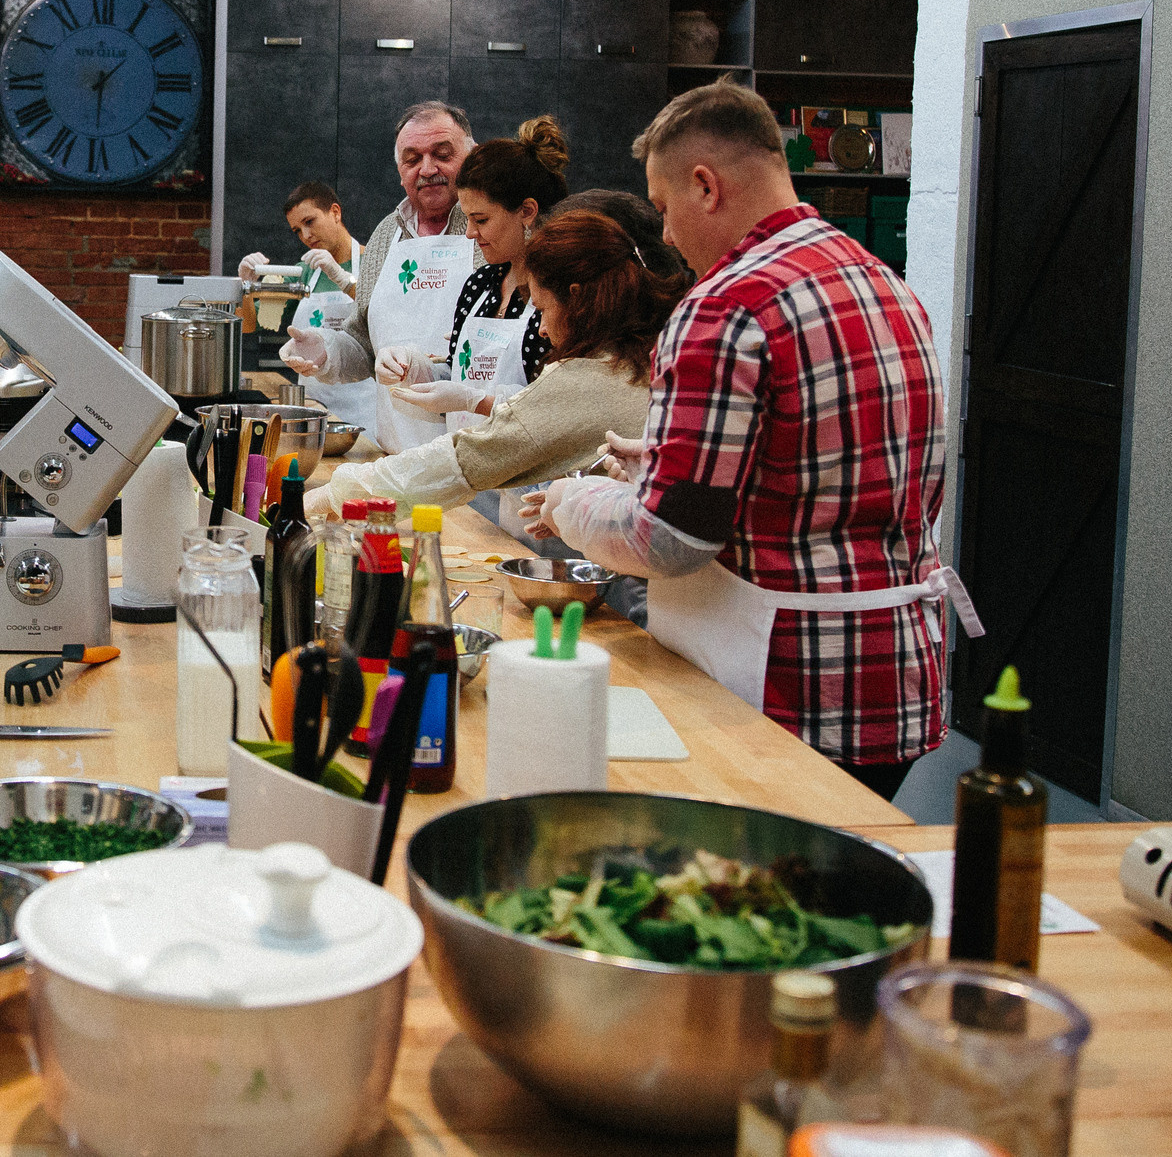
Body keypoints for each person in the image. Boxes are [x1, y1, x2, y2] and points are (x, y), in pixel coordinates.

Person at [525, 81, 963, 800]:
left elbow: (666, 539)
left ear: (705, 185)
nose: (662, 236)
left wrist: (577, 499)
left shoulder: (725, 305)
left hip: (788, 686)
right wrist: (662, 461)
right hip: (900, 682)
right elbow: (820, 467)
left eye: (664, 209)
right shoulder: (885, 281)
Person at [306, 197, 687, 557]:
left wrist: (325, 499)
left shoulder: (591, 374)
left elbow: (464, 458)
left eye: (542, 308)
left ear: (575, 298)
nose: (540, 330)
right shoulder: (645, 352)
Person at [279, 101, 482, 452]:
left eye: (442, 154)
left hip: (479, 458)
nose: (427, 168)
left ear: (472, 155)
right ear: (400, 170)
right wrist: (325, 352)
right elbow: (364, 344)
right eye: (412, 158)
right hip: (399, 451)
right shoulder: (386, 235)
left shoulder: (494, 231)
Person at [375, 116, 569, 427]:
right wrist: (414, 369)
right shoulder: (481, 285)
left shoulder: (560, 293)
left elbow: (561, 408)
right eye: (466, 219)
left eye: (481, 220)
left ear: (527, 211)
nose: (469, 233)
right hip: (468, 464)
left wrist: (477, 401)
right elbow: (457, 379)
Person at [236, 181, 358, 295]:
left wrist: (343, 279)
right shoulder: (303, 272)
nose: (305, 236)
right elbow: (255, 317)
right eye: (297, 231)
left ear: (335, 213)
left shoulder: (373, 262)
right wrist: (245, 285)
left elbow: (375, 310)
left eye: (309, 221)